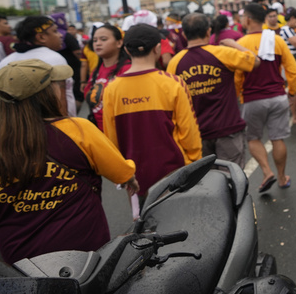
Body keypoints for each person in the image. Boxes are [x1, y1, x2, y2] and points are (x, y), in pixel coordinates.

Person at [0, 59, 138, 263]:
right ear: (47, 93)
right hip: (83, 244)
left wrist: (23, 202)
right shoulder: (78, 130)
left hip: (20, 253)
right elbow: (123, 174)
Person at [102, 24, 201, 200]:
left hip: (135, 176)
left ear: (126, 50)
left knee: (144, 216)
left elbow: (111, 138)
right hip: (174, 172)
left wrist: (122, 173)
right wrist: (195, 164)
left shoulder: (111, 89)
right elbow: (189, 132)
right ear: (157, 48)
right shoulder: (173, 83)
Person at [168, 13, 258, 168]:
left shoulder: (174, 63)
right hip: (227, 129)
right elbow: (255, 61)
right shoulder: (222, 53)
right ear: (208, 31)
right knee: (232, 178)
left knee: (207, 180)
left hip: (197, 134)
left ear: (184, 34)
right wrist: (233, 44)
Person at [236, 2, 296, 192]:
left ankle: (266, 171)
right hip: (278, 97)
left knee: (253, 138)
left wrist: (239, 96)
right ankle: (281, 178)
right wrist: (292, 92)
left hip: (252, 99)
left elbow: (237, 77)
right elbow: (293, 70)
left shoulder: (240, 44)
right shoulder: (276, 40)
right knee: (278, 139)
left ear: (248, 20)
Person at [0, 16, 76, 116]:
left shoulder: (4, 63)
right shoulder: (54, 59)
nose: (60, 35)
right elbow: (60, 100)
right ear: (41, 37)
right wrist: (65, 124)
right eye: (55, 31)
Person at [83, 24, 131, 129]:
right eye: (95, 40)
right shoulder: (96, 71)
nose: (98, 43)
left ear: (119, 43)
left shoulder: (128, 70)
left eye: (103, 39)